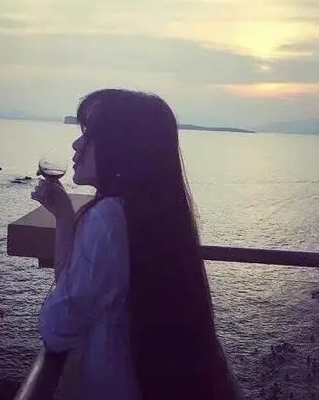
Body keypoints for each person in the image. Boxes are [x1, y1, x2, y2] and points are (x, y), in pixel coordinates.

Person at [31, 88, 243, 400]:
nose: (76, 144)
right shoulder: (153, 216)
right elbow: (77, 291)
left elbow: (56, 330)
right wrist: (64, 216)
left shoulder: (106, 219)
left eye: (89, 135)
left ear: (123, 148)